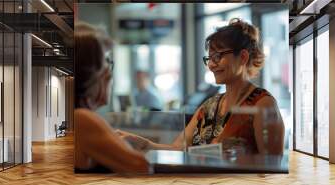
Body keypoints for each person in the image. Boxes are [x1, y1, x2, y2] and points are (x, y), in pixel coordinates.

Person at [118, 18, 285, 154]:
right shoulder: (209, 106)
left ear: (242, 57)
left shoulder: (263, 104)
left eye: (218, 56)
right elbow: (178, 149)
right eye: (209, 58)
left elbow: (272, 168)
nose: (211, 64)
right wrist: (145, 144)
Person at [74, 22, 149, 173]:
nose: (109, 72)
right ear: (94, 73)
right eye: (107, 61)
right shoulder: (81, 118)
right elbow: (142, 167)